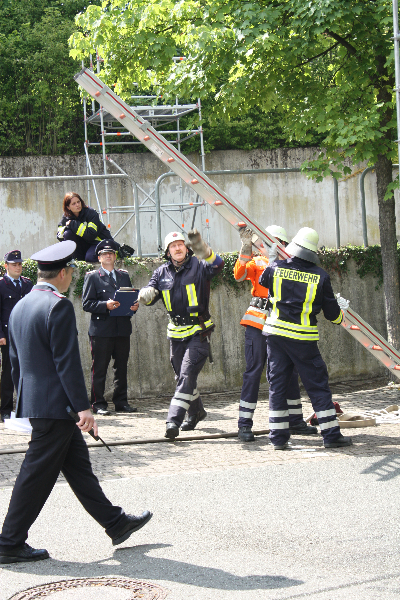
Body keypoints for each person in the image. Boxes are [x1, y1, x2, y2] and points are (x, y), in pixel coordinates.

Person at [0, 241, 152, 564]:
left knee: (79, 468)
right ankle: (9, 541)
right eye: (70, 271)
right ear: (64, 273)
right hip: (58, 407)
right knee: (35, 473)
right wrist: (84, 409)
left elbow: (14, 363)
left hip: (42, 404)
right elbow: (66, 363)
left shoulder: (21, 306)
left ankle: (115, 523)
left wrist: (25, 402)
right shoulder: (58, 306)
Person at [259, 227, 352, 450]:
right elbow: (332, 315)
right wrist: (342, 313)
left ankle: (278, 438)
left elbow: (263, 281)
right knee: (317, 385)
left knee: (277, 386)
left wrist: (272, 260)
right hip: (303, 340)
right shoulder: (321, 276)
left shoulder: (275, 268)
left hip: (276, 336)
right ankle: (331, 435)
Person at [138, 230, 224, 439]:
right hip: (176, 333)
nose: (177, 248)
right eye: (173, 246)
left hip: (199, 331)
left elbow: (218, 265)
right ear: (167, 252)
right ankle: (196, 412)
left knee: (186, 375)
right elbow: (151, 293)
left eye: (180, 244)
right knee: (182, 377)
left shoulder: (199, 265)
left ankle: (173, 420)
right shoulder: (161, 272)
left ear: (186, 248)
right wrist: (145, 295)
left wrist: (203, 248)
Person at [234, 226, 317, 441]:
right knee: (254, 371)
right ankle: (244, 425)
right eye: (267, 241)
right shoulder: (257, 261)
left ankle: (295, 421)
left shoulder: (292, 265)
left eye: (278, 241)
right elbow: (239, 275)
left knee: (289, 371)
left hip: (282, 323)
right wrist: (245, 248)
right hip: (258, 321)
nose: (272, 245)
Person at [82, 239, 138, 415]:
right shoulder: (92, 277)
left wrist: (134, 307)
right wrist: (105, 305)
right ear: (99, 258)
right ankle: (98, 403)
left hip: (122, 328)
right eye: (104, 254)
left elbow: (129, 298)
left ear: (115, 257)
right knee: (99, 368)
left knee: (121, 367)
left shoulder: (123, 276)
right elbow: (86, 304)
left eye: (111, 253)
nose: (108, 256)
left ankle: (121, 401)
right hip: (102, 330)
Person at [0, 250, 33, 422]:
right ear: (6, 266)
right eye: (14, 264)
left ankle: (25, 408)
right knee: (8, 373)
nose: (18, 267)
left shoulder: (28, 284)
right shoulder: (1, 285)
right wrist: (0, 334)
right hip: (8, 335)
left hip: (26, 334)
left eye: (19, 264)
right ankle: (5, 409)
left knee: (26, 371)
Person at [57, 192, 133, 262]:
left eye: (78, 202)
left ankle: (115, 252)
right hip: (84, 243)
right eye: (73, 204)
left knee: (90, 258)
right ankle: (78, 261)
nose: (77, 205)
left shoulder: (90, 212)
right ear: (68, 207)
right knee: (68, 233)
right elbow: (60, 236)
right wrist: (69, 227)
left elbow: (91, 235)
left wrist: (73, 224)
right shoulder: (66, 217)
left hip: (98, 242)